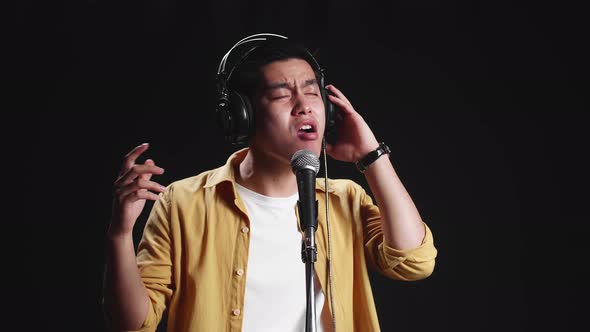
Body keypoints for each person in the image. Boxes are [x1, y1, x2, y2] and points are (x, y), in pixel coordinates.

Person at [103, 33, 437, 332]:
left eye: (311, 91)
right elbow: (132, 324)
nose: (304, 105)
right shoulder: (184, 202)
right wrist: (120, 235)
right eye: (281, 95)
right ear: (242, 115)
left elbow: (414, 263)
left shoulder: (345, 200)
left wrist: (371, 156)